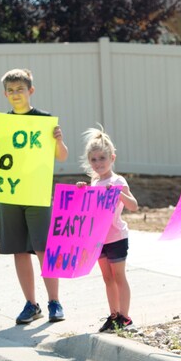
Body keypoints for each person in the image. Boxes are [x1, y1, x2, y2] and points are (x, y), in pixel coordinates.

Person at [0, 68, 69, 324]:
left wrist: (58, 141)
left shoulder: (44, 120)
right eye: (10, 91)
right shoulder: (0, 123)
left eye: (20, 89)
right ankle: (31, 305)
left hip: (37, 195)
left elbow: (62, 156)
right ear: (5, 94)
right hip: (8, 194)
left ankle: (54, 301)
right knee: (19, 250)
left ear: (30, 90)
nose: (15, 94)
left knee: (44, 248)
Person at [77, 126, 139, 332]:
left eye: (102, 158)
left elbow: (133, 205)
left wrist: (118, 192)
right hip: (98, 239)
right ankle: (113, 315)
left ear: (112, 158)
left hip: (116, 237)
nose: (98, 163)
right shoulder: (93, 183)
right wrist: (81, 192)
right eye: (93, 159)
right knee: (107, 278)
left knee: (119, 276)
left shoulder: (117, 181)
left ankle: (125, 316)